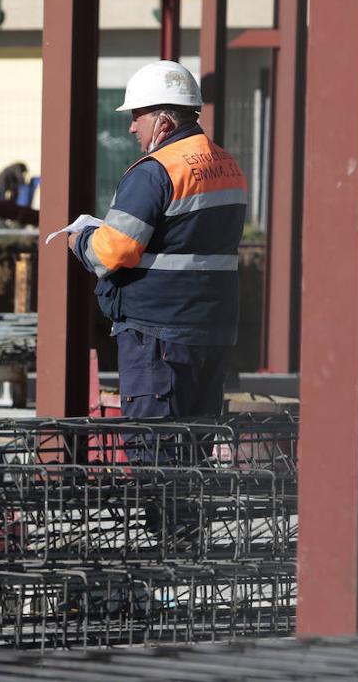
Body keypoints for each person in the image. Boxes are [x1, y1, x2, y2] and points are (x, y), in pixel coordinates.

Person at [68, 60, 246, 472]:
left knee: (155, 455)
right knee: (194, 452)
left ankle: (165, 516)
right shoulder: (227, 165)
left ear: (163, 122)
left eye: (138, 116)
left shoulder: (155, 172)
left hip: (157, 336)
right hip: (211, 330)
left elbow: (111, 253)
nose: (133, 127)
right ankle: (187, 516)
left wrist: (80, 240)